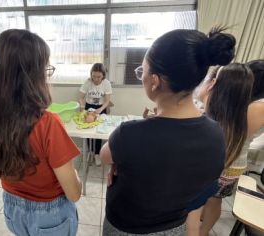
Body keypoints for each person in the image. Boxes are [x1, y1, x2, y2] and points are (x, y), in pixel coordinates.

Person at [100, 27, 236, 235]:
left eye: (142, 71)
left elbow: (104, 155)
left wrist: (120, 162)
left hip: (126, 228)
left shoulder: (129, 133)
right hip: (174, 227)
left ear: (154, 81)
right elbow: (200, 187)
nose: (141, 76)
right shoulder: (216, 135)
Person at [0, 29, 82, 236]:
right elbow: (74, 193)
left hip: (13, 208)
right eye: (46, 69)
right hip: (50, 215)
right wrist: (76, 175)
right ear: (34, 74)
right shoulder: (48, 124)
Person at [190, 63, 254, 236]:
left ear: (212, 84)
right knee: (215, 201)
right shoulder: (238, 111)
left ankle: (195, 232)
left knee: (196, 205)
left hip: (218, 167)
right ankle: (204, 232)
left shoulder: (210, 117)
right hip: (235, 166)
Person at [79, 63, 112, 166]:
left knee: (98, 132)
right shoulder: (88, 82)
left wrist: (100, 109)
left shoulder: (106, 83)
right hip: (89, 107)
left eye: (99, 77)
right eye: (94, 76)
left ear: (103, 76)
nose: (96, 79)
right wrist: (82, 108)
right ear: (91, 75)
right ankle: (91, 152)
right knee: (88, 131)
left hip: (101, 108)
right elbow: (81, 97)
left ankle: (97, 153)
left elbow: (107, 100)